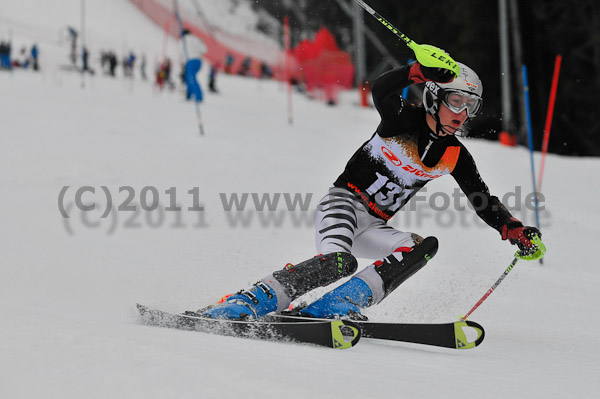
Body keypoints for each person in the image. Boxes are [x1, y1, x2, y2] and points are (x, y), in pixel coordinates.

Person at [200, 48, 547, 321]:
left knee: (422, 246)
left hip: (374, 225)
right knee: (340, 262)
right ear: (433, 97)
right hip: (343, 204)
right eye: (456, 101)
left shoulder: (455, 155)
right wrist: (416, 72)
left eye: (471, 105)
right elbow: (380, 90)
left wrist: (513, 229)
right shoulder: (401, 119)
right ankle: (250, 300)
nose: (463, 113)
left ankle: (338, 304)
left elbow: (481, 198)